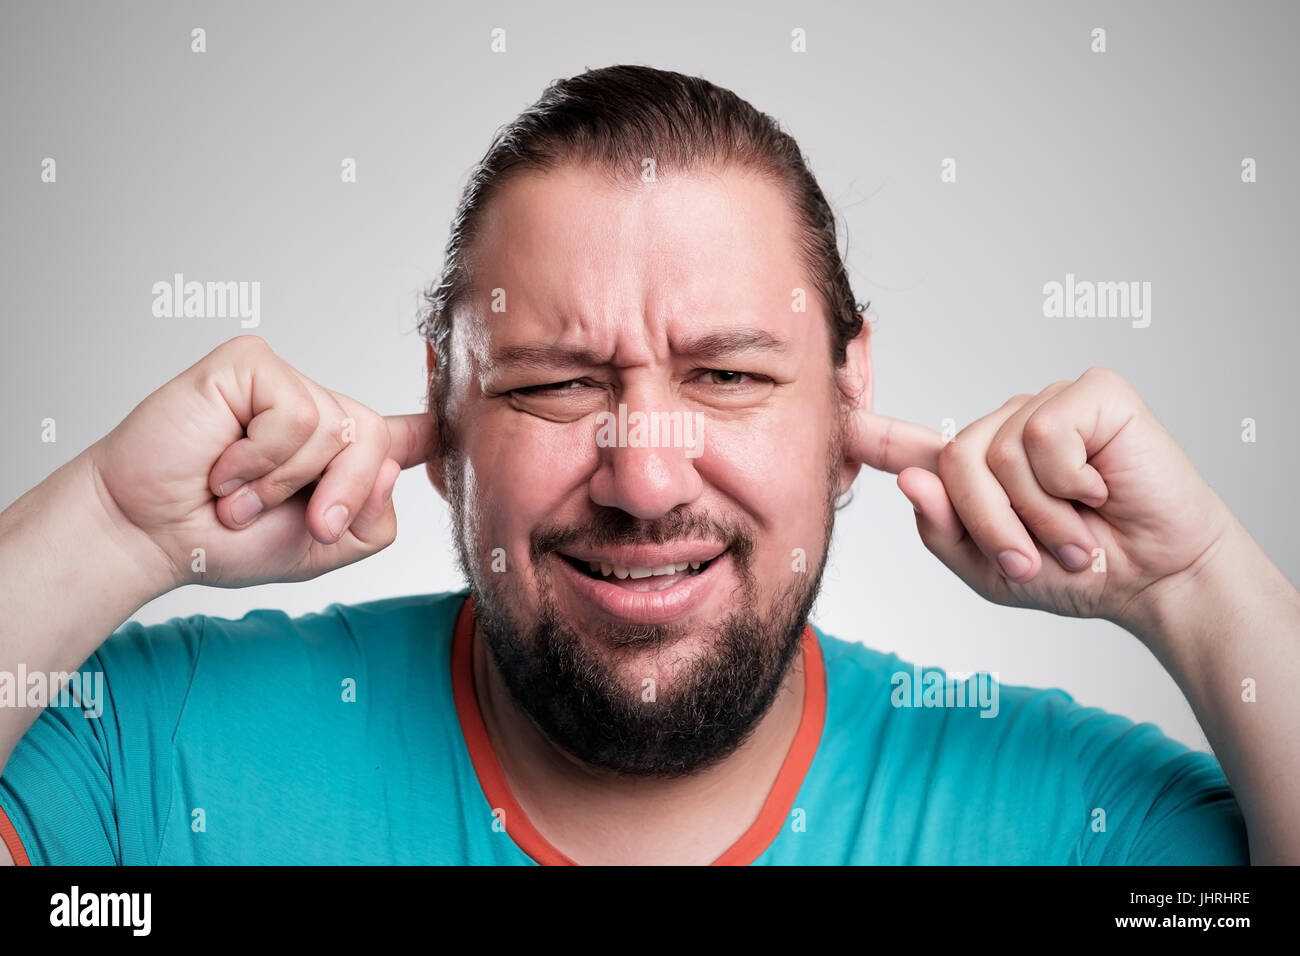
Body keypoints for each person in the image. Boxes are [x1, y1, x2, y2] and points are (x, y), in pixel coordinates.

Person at [1, 65, 1295, 866]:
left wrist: (1196, 586)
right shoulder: (153, 759)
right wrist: (113, 526)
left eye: (727, 376)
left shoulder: (1070, 822)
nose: (645, 480)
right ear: (444, 423)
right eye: (559, 383)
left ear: (850, 405)